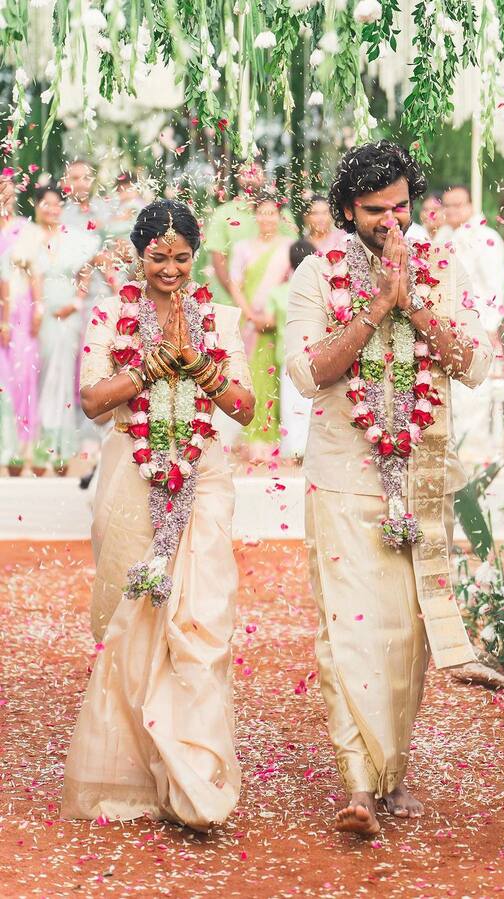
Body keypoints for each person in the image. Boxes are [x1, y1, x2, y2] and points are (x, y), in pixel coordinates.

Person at [286, 141, 493, 835]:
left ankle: (392, 773)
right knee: (349, 635)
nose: (392, 221)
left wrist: (417, 309)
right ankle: (357, 784)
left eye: (401, 206)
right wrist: (376, 307)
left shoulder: (442, 266)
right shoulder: (317, 273)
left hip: (419, 479)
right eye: (376, 210)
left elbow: (475, 363)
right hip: (344, 476)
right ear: (348, 210)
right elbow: (308, 372)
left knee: (405, 638)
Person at [61, 199, 255, 830]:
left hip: (203, 474)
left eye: (181, 257)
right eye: (157, 257)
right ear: (139, 255)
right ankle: (139, 772)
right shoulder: (111, 315)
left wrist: (198, 364)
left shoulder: (217, 319)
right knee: (136, 615)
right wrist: (148, 368)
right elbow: (93, 400)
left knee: (201, 616)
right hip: (131, 474)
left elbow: (245, 407)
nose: (170, 269)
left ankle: (193, 777)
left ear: (195, 256)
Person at [12, 183, 99, 473]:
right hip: (35, 314)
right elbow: (24, 275)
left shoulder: (74, 237)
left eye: (56, 204)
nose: (51, 209)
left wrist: (76, 302)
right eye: (45, 204)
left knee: (62, 377)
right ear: (36, 206)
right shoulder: (29, 237)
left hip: (68, 313)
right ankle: (35, 447)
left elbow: (85, 271)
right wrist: (36, 308)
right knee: (37, 375)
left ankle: (60, 447)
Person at [229, 192, 293, 459]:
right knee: (252, 378)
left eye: (272, 213)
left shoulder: (288, 247)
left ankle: (274, 439)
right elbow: (235, 284)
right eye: (262, 213)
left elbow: (293, 284)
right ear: (255, 216)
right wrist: (250, 316)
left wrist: (274, 317)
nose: (267, 218)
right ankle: (254, 439)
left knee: (275, 378)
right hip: (251, 324)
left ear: (279, 216)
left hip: (278, 323)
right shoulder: (242, 248)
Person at [205, 159, 295, 306]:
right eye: (245, 173)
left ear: (264, 175)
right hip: (232, 301)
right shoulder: (223, 213)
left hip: (275, 305)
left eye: (255, 172)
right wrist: (241, 301)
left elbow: (293, 257)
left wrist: (277, 302)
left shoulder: (282, 214)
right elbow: (218, 258)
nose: (250, 177)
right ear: (237, 177)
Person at [0, 175, 37, 463]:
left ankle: (23, 444)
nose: (6, 199)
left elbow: (35, 273)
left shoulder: (25, 230)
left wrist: (38, 309)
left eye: (10, 194)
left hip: (20, 308)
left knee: (22, 373)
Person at [268, 238, 316, 459]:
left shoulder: (279, 292)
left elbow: (267, 321)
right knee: (311, 403)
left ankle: (293, 450)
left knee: (290, 405)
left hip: (287, 355)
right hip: (315, 355)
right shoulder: (317, 288)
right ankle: (310, 448)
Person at [437, 184, 504, 332]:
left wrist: (490, 327)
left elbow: (494, 286)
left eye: (457, 205)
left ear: (470, 206)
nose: (450, 210)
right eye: (446, 206)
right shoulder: (442, 237)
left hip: (477, 323)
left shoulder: (485, 237)